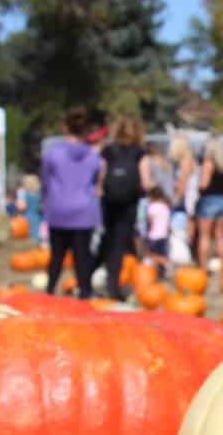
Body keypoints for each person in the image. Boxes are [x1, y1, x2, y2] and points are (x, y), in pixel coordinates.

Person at [42, 108, 103, 299]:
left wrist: (46, 202)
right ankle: (85, 296)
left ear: (65, 127)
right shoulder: (94, 157)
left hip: (58, 210)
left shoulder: (52, 154)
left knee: (57, 257)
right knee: (82, 259)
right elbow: (96, 184)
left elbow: (45, 182)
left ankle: (50, 292)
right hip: (84, 213)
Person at [97, 116, 146, 300]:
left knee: (107, 240)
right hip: (129, 203)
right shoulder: (139, 153)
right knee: (119, 243)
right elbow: (146, 181)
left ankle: (88, 277)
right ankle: (113, 285)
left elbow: (100, 179)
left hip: (109, 202)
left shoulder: (108, 151)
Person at [196, 139, 223, 269]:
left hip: (209, 200)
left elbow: (204, 185)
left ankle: (203, 267)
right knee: (220, 236)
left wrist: (198, 189)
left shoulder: (209, 163)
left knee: (204, 235)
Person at [142, 186, 172, 268]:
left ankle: (167, 263)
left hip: (153, 236)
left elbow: (149, 221)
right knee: (161, 253)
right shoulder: (166, 207)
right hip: (164, 236)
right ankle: (161, 270)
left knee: (149, 254)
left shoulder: (152, 207)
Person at [14, 173, 43, 237]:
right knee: (38, 237)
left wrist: (16, 204)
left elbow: (21, 207)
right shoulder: (39, 193)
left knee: (29, 237)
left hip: (26, 218)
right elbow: (42, 206)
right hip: (38, 218)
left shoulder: (22, 192)